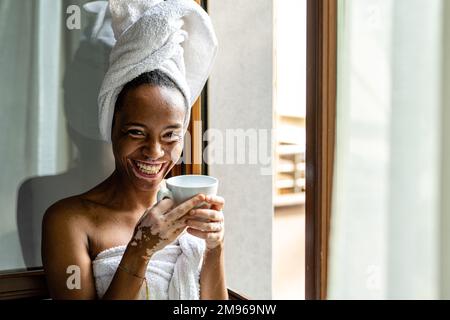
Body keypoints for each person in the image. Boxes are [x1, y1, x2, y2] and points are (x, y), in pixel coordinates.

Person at [42, 0, 225, 300]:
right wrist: (140, 250)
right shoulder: (68, 221)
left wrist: (215, 248)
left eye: (170, 136)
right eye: (136, 132)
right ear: (111, 128)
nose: (154, 152)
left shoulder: (191, 212)